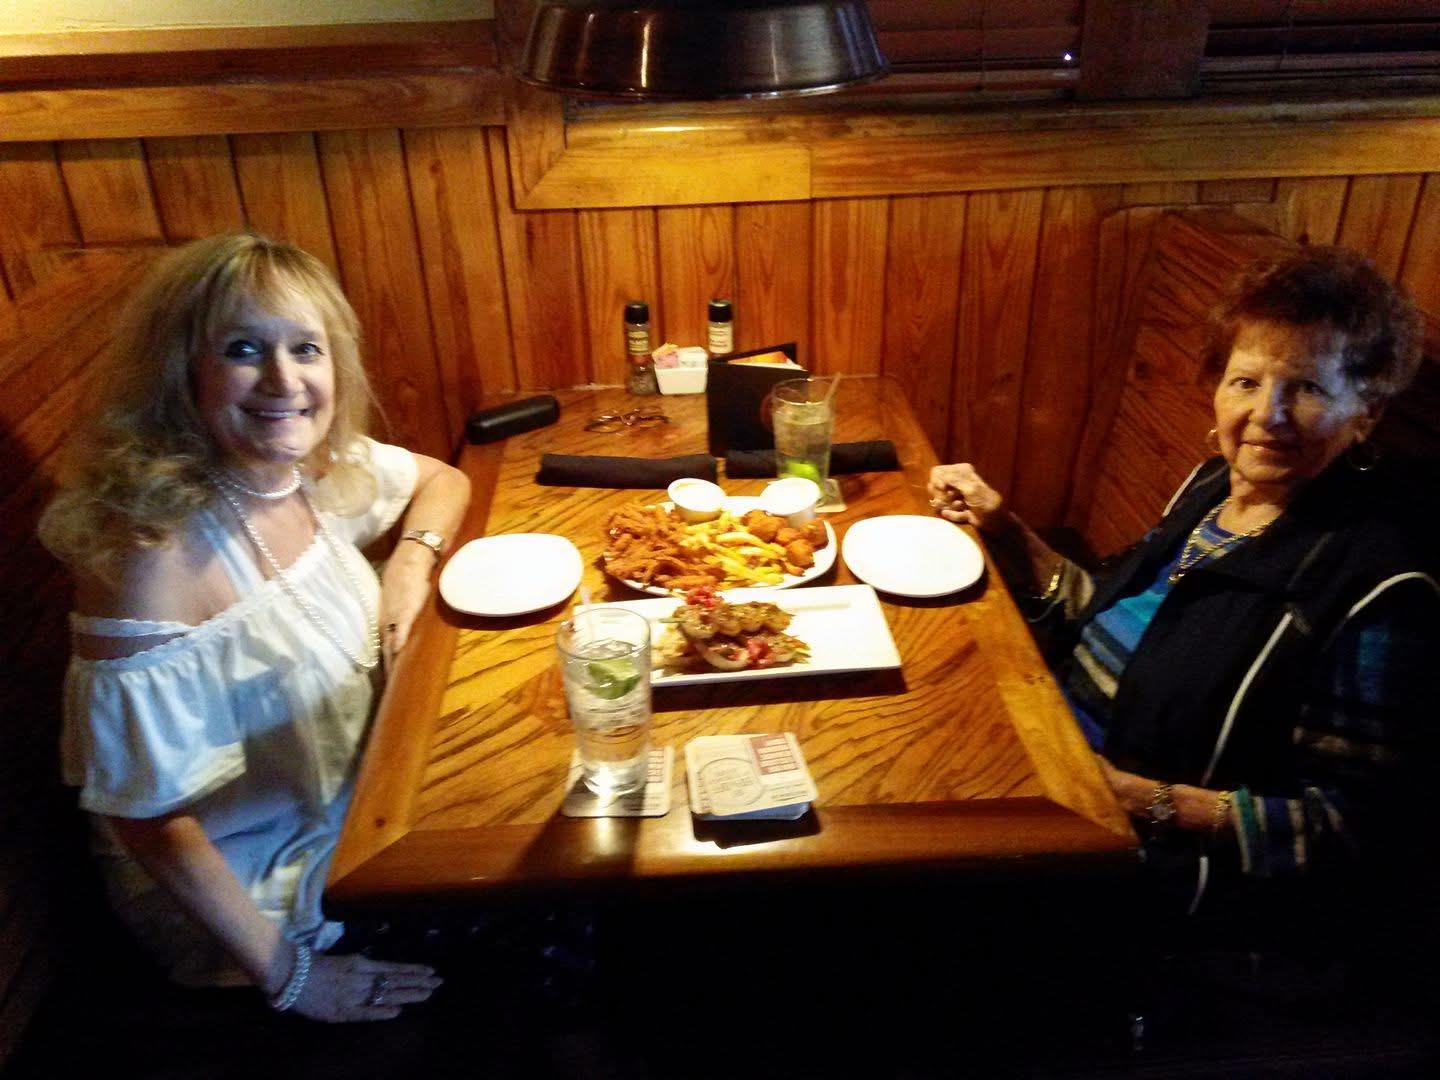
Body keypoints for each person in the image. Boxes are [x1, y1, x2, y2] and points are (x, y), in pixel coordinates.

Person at [929, 246, 1438, 944]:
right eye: (1246, 381)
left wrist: (1142, 800)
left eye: (1308, 389)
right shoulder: (1209, 488)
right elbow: (1102, 614)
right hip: (1043, 754)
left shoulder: (1376, 590)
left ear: (1368, 412)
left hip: (1144, 875)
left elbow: (1356, 828)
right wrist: (1002, 525)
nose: (1268, 414)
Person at [39, 233, 470, 1022]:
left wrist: (409, 561)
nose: (284, 380)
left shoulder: (295, 466)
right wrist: (295, 978)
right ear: (182, 373)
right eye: (244, 349)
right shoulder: (153, 556)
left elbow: (442, 480)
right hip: (258, 897)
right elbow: (143, 819)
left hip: (366, 807)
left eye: (305, 349)